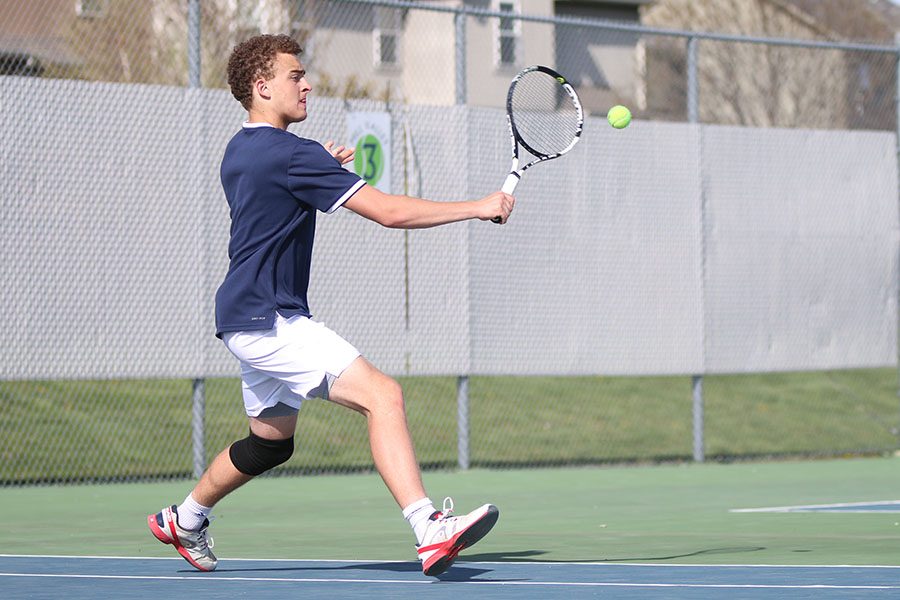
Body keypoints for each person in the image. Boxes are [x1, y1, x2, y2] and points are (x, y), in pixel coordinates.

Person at [147, 34, 514, 578]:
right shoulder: (294, 155)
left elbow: (275, 188)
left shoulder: (240, 148)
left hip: (242, 317)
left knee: (270, 444)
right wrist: (477, 207)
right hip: (271, 318)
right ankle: (428, 528)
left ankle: (186, 518)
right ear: (261, 86)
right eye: (295, 75)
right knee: (383, 395)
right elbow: (388, 212)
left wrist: (319, 164)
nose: (307, 83)